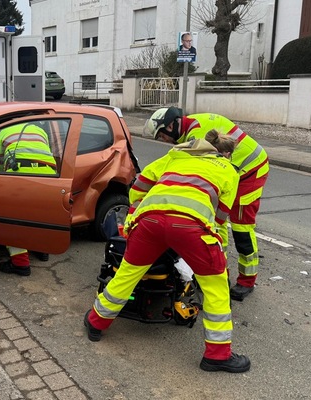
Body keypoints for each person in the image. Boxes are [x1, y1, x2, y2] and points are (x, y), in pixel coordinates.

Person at [84, 131, 251, 373]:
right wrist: (217, 254)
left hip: (149, 221)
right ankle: (217, 354)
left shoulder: (176, 156)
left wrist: (137, 209)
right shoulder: (227, 169)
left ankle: (95, 322)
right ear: (224, 153)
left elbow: (140, 184)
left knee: (126, 275)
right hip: (190, 227)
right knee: (216, 287)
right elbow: (220, 217)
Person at [145, 107, 269, 301]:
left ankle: (247, 280)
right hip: (230, 171)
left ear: (170, 126)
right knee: (214, 224)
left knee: (241, 229)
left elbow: (196, 171)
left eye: (162, 136)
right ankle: (221, 275)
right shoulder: (190, 131)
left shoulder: (197, 137)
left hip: (250, 171)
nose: (164, 141)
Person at [0, 122, 57, 276]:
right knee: (39, 217)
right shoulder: (39, 130)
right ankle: (42, 250)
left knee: (13, 221)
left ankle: (21, 264)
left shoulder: (2, 134)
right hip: (50, 176)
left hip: (20, 175)